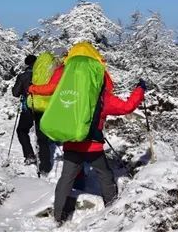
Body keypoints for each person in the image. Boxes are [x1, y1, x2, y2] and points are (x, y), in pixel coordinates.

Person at [29, 42, 145, 224]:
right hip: (93, 146)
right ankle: (112, 208)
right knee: (105, 176)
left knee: (66, 179)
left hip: (71, 142)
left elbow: (51, 90)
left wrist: (32, 89)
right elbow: (127, 107)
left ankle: (58, 218)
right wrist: (140, 90)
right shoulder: (103, 98)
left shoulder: (68, 94)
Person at [11, 54, 48, 169]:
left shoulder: (23, 76)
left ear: (26, 64)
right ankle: (45, 164)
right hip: (42, 108)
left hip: (28, 108)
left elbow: (15, 93)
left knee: (22, 131)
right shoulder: (45, 75)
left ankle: (29, 155)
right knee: (42, 135)